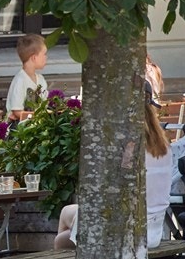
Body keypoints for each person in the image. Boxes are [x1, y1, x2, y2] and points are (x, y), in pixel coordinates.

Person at [55, 103, 173, 249]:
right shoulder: (166, 148)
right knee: (68, 219)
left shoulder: (130, 146)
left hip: (126, 231)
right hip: (153, 231)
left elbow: (116, 188)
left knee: (62, 235)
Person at [5, 34, 48, 120]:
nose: (46, 57)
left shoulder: (41, 79)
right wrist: (36, 117)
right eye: (44, 54)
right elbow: (17, 111)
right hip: (19, 129)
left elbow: (44, 105)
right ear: (34, 58)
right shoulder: (20, 80)